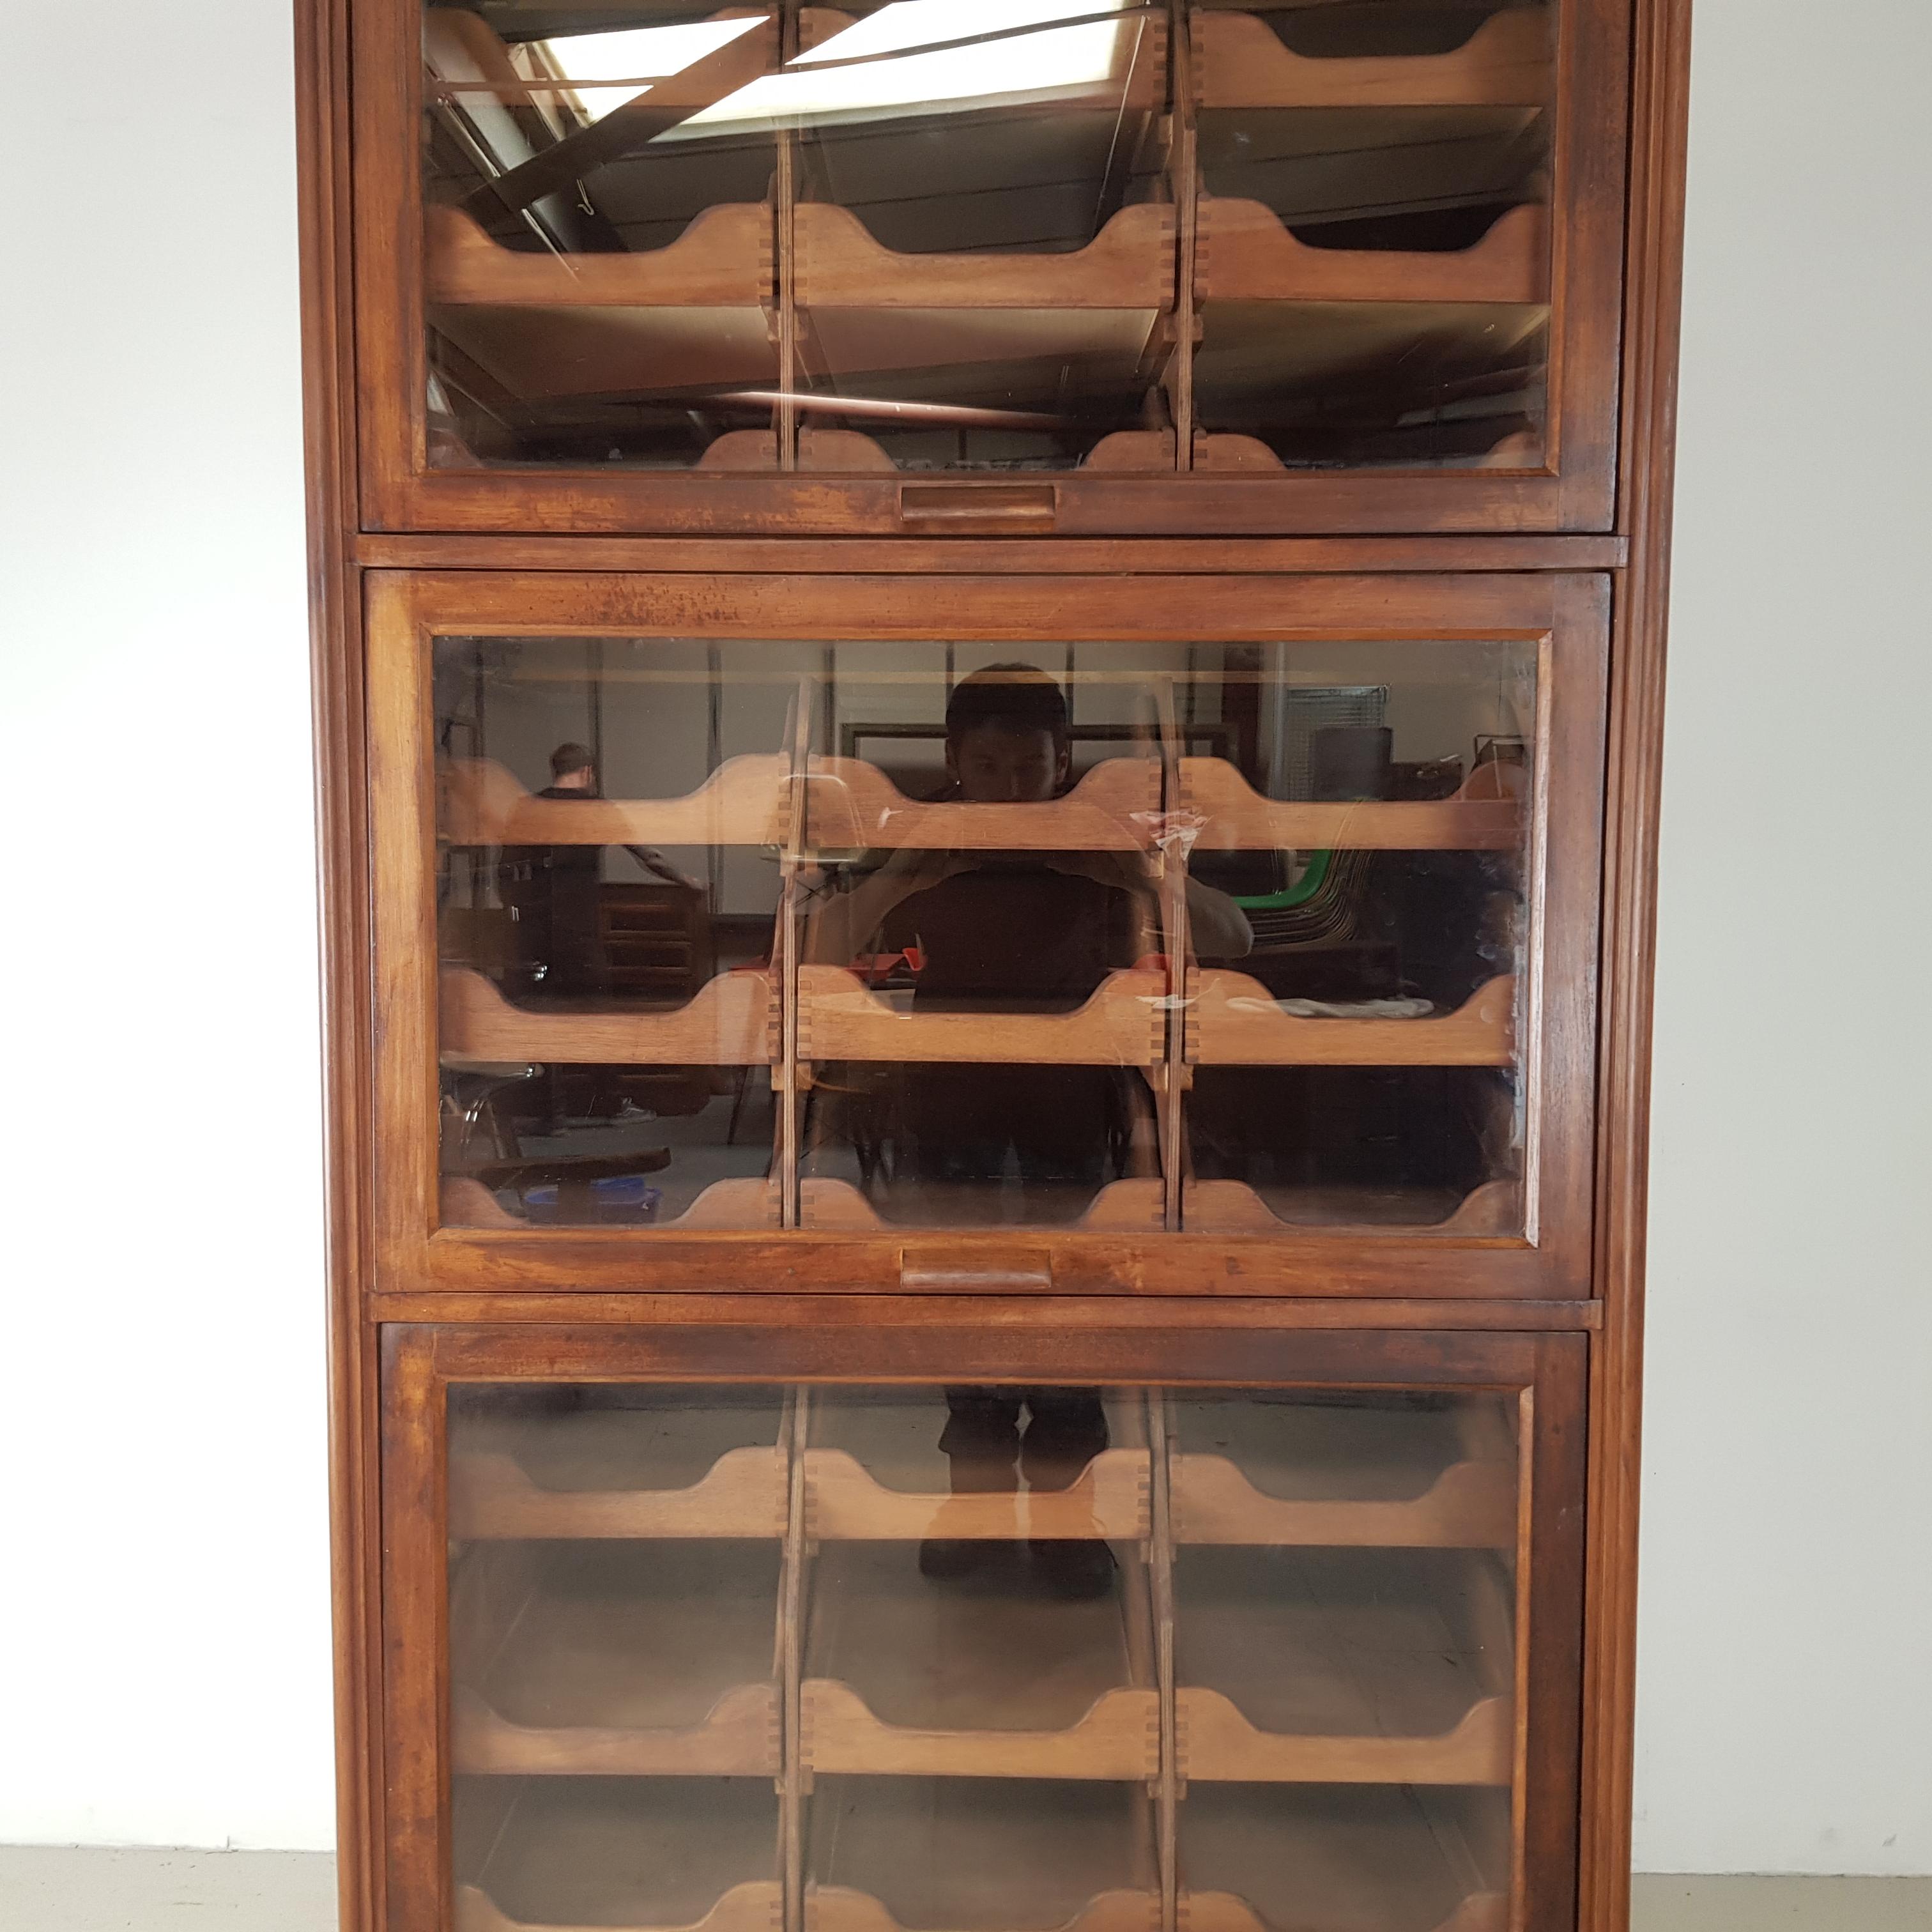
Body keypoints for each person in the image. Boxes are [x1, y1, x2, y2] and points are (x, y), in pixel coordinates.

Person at [805, 667, 1250, 1597]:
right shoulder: (920, 836)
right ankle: (970, 1504)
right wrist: (903, 873)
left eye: (1029, 765)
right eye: (989, 764)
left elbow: (1235, 936)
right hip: (944, 1106)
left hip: (1073, 1108)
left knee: (1074, 1308)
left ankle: (1068, 1523)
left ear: (1063, 764)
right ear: (955, 764)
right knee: (958, 1298)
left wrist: (1134, 873)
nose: (1009, 785)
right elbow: (816, 950)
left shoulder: (1101, 839)